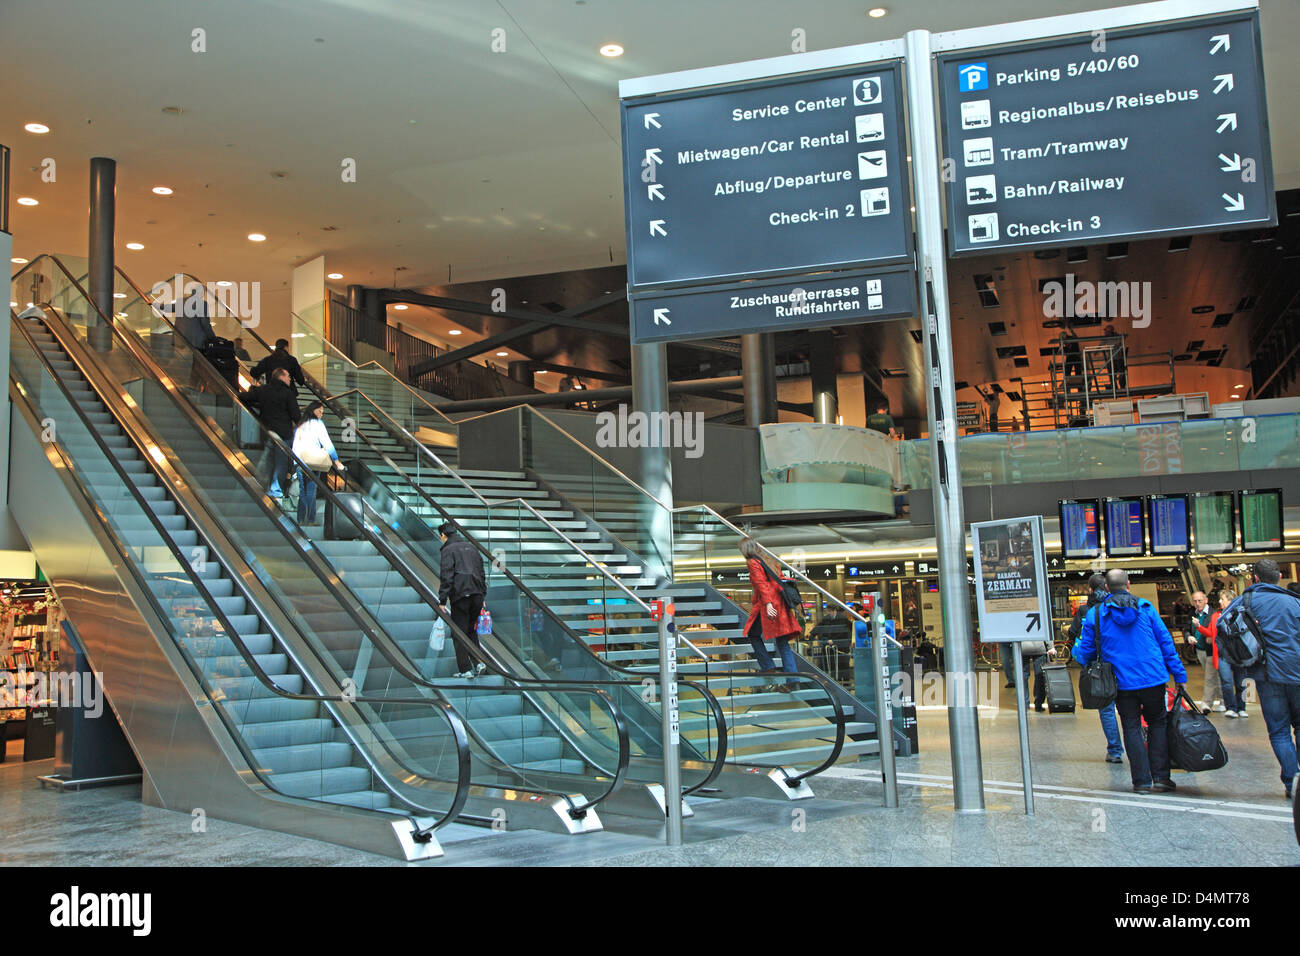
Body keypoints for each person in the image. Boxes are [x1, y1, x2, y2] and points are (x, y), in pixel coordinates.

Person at [1074, 568, 1188, 794]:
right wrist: (1180, 675)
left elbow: (1085, 651)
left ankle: (1142, 782)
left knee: (1131, 726)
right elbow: (1166, 643)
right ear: (1128, 585)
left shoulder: (1096, 614)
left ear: (1106, 588)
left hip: (1122, 682)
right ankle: (1162, 778)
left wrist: (1085, 659)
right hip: (1153, 678)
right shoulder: (1146, 608)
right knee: (1158, 724)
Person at [1222, 560, 1300, 798]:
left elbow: (1222, 626)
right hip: (1297, 673)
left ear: (1255, 578)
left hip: (1266, 675)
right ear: (1278, 577)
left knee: (1278, 731)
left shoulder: (1245, 601)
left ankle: (1291, 782)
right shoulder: (1295, 602)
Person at [1067, 573, 1125, 764]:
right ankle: (1138, 744)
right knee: (1129, 708)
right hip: (1124, 664)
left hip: (1100, 666)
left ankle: (1115, 750)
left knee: (1107, 709)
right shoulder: (1122, 606)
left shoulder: (1087, 611)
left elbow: (1075, 633)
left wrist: (1085, 661)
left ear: (1090, 590)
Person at [739, 537, 800, 689]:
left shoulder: (753, 562)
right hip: (781, 605)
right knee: (783, 643)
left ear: (745, 549)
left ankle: (768, 666)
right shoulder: (769, 560)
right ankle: (793, 681)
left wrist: (767, 604)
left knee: (752, 635)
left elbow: (761, 584)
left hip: (768, 606)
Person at [438, 521, 488, 680]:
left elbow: (447, 575)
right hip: (477, 595)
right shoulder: (472, 547)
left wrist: (442, 601)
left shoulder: (448, 549)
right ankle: (479, 662)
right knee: (471, 630)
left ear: (443, 535)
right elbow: (481, 571)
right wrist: (482, 594)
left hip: (461, 596)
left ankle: (465, 669)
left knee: (458, 632)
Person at [247, 367, 299, 498]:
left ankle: (259, 484)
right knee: (280, 462)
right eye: (288, 376)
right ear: (281, 377)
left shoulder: (264, 390)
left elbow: (244, 397)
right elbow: (296, 415)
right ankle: (275, 490)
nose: (290, 379)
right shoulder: (288, 393)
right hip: (283, 434)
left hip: (266, 431)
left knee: (267, 459)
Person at [291, 401, 344, 525]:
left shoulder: (301, 424)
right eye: (319, 411)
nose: (321, 414)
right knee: (311, 490)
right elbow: (326, 442)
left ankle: (300, 520)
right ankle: (310, 520)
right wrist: (336, 460)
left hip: (300, 460)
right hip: (313, 460)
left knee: (302, 490)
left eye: (322, 412)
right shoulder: (318, 424)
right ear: (313, 410)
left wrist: (294, 462)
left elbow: (295, 444)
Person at [1200, 590, 1248, 718]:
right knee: (1226, 681)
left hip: (1238, 653)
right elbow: (1210, 632)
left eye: (1222, 599)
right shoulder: (1216, 616)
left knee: (1240, 681)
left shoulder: (1240, 614)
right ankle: (1231, 707)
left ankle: (1241, 707)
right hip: (1222, 654)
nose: (1220, 601)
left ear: (1230, 600)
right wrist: (1198, 626)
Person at [1188, 590, 1223, 713]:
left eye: (1200, 601)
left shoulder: (1214, 614)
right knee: (1211, 677)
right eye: (1195, 601)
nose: (1197, 604)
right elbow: (1187, 629)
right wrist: (1189, 636)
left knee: (1213, 677)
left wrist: (1212, 636)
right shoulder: (1192, 614)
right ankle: (1219, 701)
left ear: (1206, 600)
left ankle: (1210, 703)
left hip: (1212, 651)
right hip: (1200, 650)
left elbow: (1216, 632)